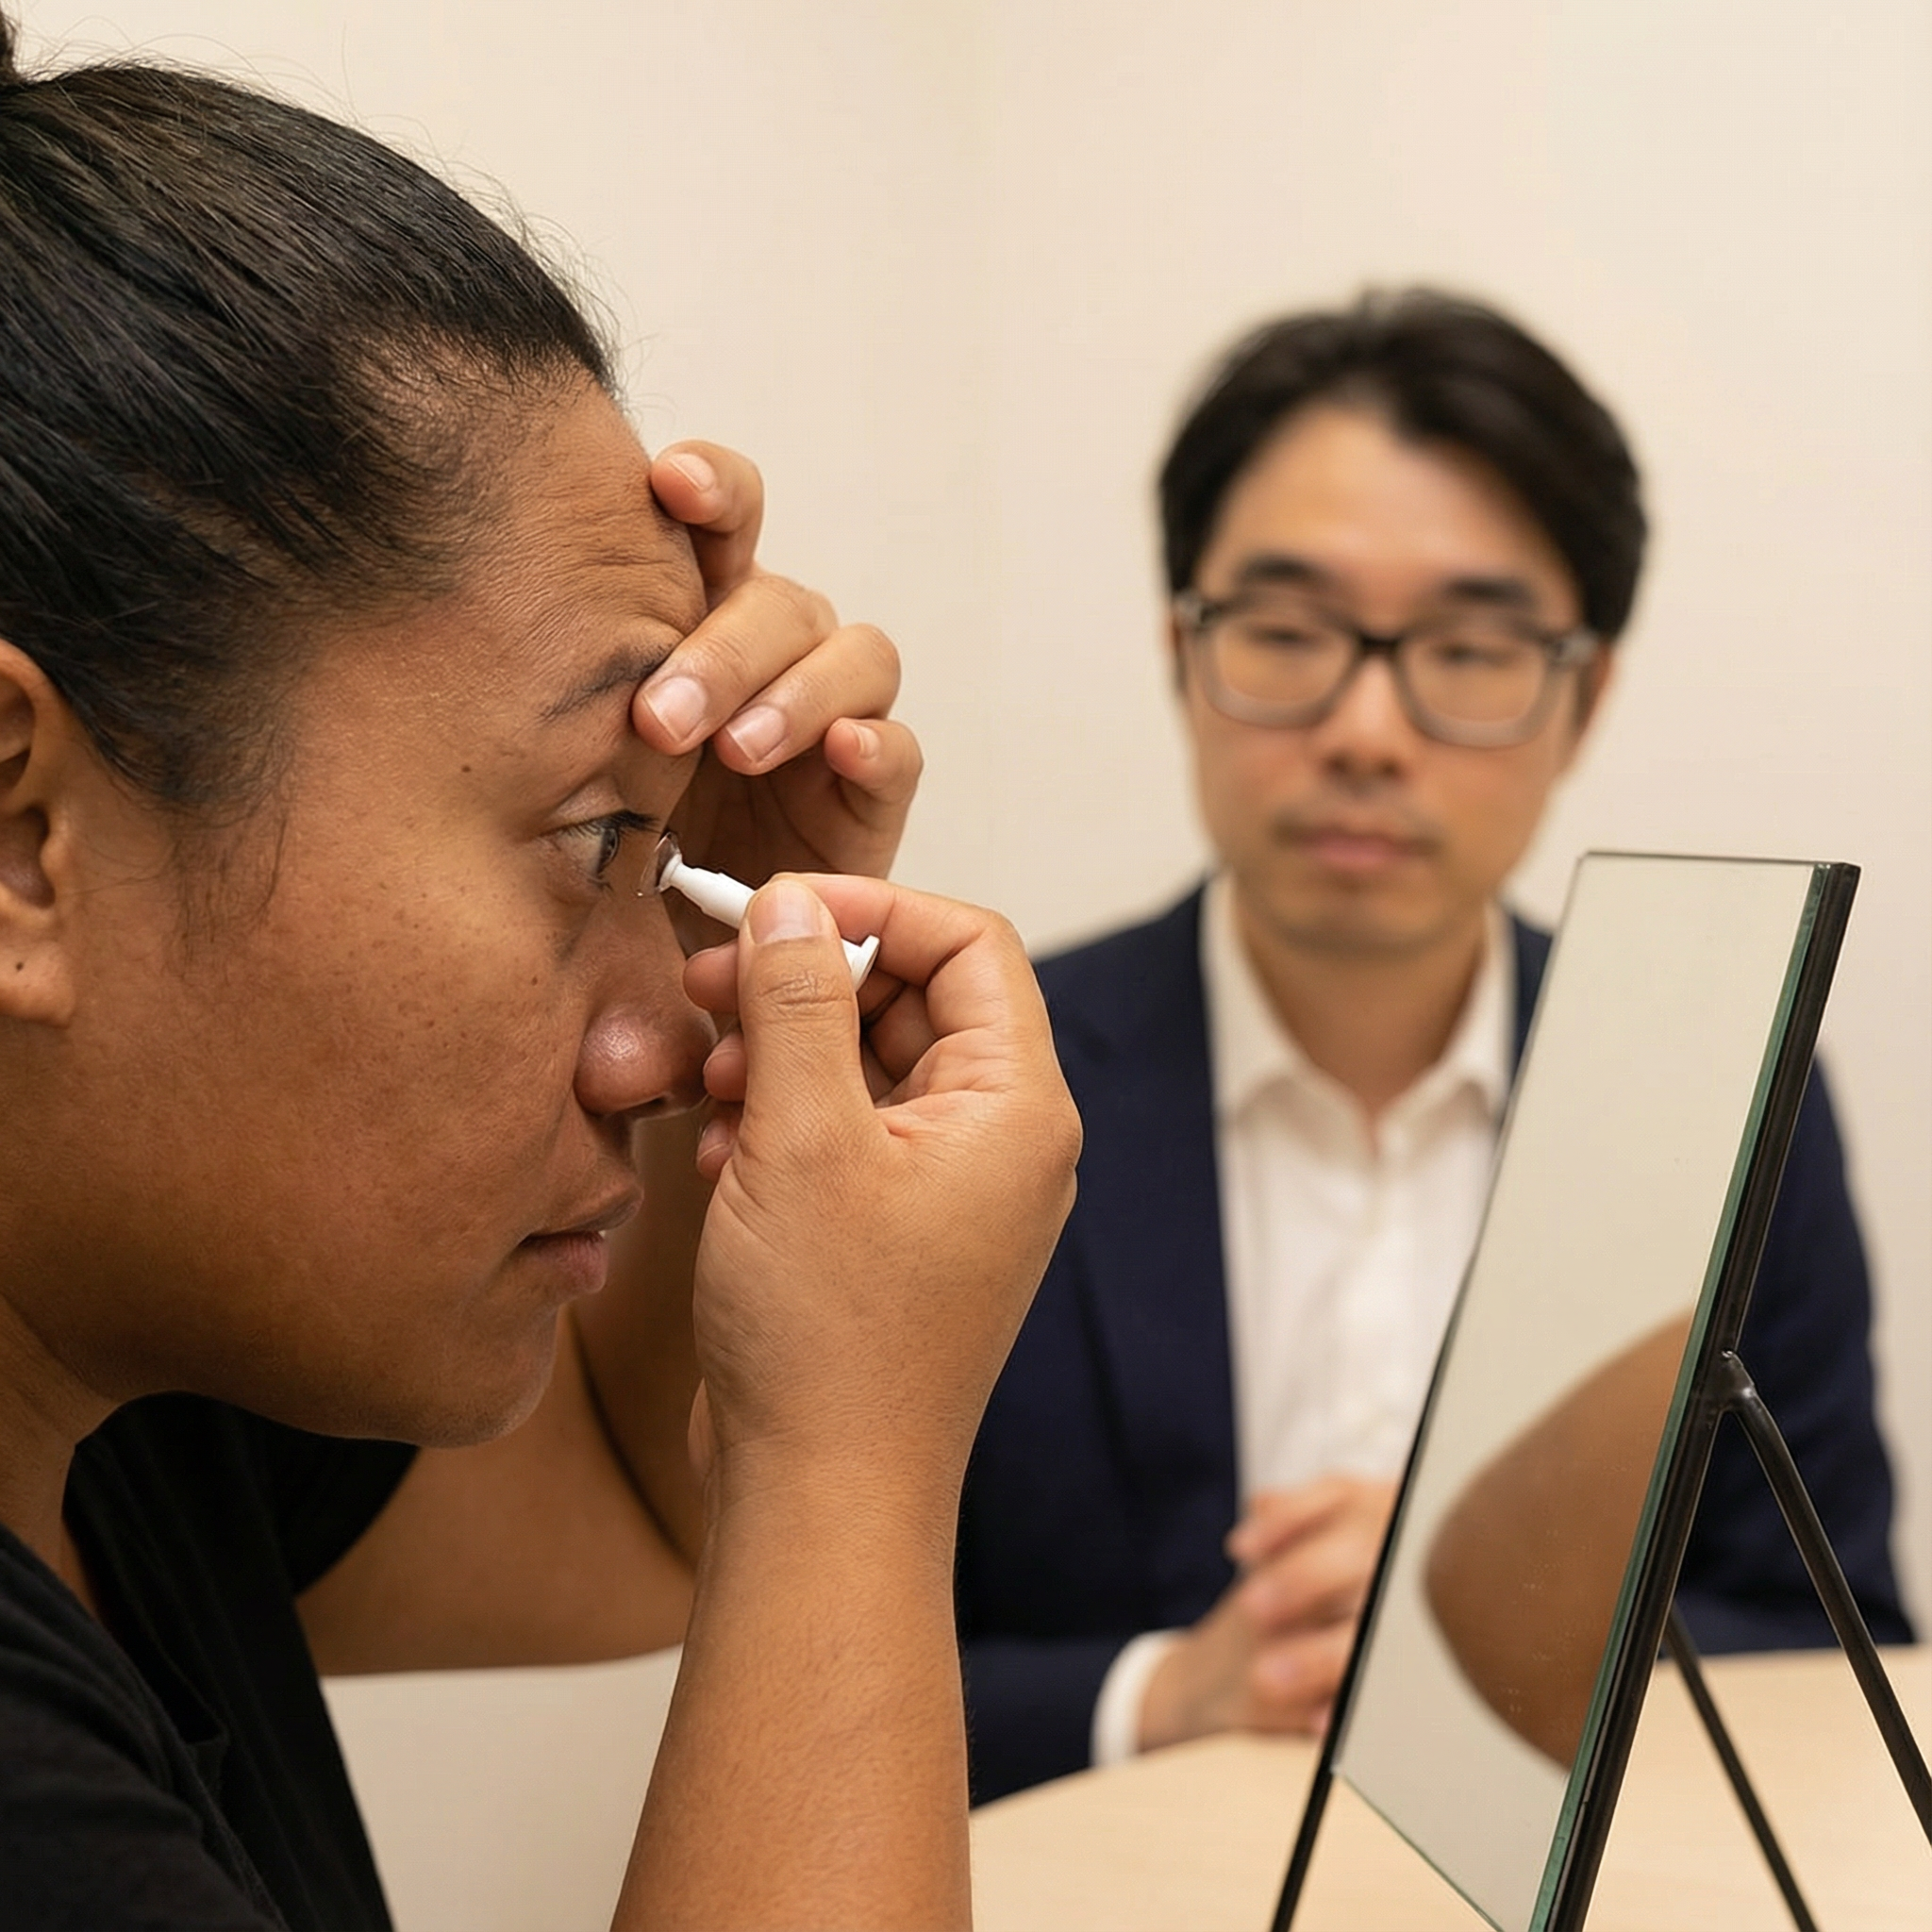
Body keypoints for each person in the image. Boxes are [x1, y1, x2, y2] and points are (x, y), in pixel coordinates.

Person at [0, 20, 1080, 1930]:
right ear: (22, 844)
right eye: (592, 841)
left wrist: (724, 907)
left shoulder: (119, 1405)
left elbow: (637, 1504)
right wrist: (851, 1459)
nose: (671, 1033)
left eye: (660, 863)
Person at [956, 290, 1910, 1802]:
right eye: (1287, 633)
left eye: (1469, 650)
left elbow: (1829, 1633)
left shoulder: (1718, 1095)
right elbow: (806, 1656)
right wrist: (1166, 1692)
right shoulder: (969, 1073)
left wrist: (1520, 1632)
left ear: (1581, 700)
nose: (1367, 730)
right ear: (1182, 653)